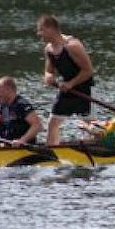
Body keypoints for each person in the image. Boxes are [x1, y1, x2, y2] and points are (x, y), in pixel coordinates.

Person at [36, 14, 95, 145]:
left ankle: (98, 148)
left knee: (89, 125)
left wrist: (71, 83)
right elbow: (48, 70)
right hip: (67, 90)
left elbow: (88, 71)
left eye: (41, 30)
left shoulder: (72, 45)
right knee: (53, 123)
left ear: (50, 29)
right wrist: (49, 77)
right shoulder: (49, 49)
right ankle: (51, 152)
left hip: (83, 88)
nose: (39, 33)